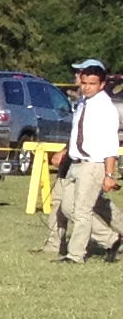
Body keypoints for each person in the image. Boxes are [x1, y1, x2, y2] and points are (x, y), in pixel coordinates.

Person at [56, 59, 119, 263]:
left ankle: (75, 255)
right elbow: (77, 133)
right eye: (84, 83)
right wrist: (66, 152)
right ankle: (111, 239)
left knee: (83, 210)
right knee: (67, 207)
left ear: (101, 85)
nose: (86, 87)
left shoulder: (105, 107)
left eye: (92, 84)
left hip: (94, 164)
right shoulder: (83, 103)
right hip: (76, 163)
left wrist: (109, 175)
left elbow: (110, 144)